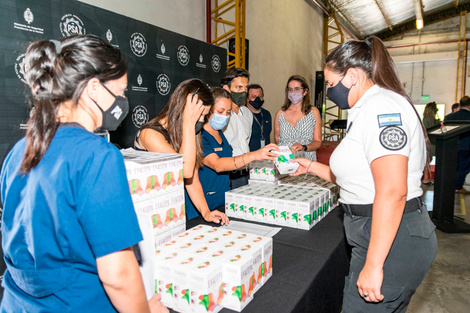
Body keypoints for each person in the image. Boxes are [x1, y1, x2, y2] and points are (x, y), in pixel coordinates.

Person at [0, 35, 168, 312]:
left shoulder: (20, 150)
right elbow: (118, 275)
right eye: (122, 91)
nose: (123, 101)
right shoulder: (97, 155)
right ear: (93, 89)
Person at [292, 36, 437, 312]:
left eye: (332, 84)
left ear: (354, 76)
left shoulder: (381, 108)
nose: (331, 91)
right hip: (379, 233)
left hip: (391, 239)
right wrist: (308, 165)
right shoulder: (365, 108)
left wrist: (373, 264)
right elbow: (358, 176)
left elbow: (393, 191)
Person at [135, 78, 229, 224]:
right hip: (147, 213)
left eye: (205, 116)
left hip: (170, 209)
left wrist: (206, 212)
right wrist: (189, 124)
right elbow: (184, 171)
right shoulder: (151, 134)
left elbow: (193, 178)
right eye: (200, 115)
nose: (202, 120)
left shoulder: (189, 132)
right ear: (184, 108)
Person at [185, 87, 278, 216]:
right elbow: (217, 164)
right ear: (207, 109)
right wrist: (254, 155)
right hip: (203, 205)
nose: (224, 116)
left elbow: (231, 161)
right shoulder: (199, 136)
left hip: (223, 199)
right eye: (220, 111)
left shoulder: (220, 134)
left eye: (228, 112)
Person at [274, 75, 322, 161]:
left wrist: (303, 147)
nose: (293, 92)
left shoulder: (313, 112)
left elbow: (317, 142)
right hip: (285, 160)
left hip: (306, 158)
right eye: (290, 89)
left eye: (297, 89)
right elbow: (278, 140)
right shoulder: (280, 113)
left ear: (305, 91)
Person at [221, 68, 253, 188]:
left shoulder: (248, 114)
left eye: (246, 88)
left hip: (246, 172)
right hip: (227, 173)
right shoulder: (219, 115)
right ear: (226, 89)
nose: (244, 92)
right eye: (238, 87)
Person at [444, 95, 470, 194]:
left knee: (452, 167)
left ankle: (450, 185)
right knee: (463, 168)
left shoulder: (449, 117)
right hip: (466, 147)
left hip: (451, 147)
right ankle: (458, 186)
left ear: (459, 104)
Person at [246, 84, 272, 151]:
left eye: (260, 96)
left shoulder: (267, 114)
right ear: (246, 98)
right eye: (253, 96)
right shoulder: (243, 115)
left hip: (266, 156)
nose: (257, 99)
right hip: (249, 156)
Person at [422, 101, 440, 184]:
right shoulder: (432, 120)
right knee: (429, 160)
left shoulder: (424, 119)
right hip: (432, 143)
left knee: (427, 160)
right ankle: (426, 178)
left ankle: (426, 178)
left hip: (426, 143)